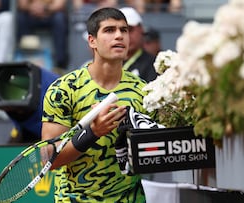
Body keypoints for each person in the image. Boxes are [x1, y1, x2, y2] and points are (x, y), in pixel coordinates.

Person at [42, 7, 148, 202]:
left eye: (123, 30)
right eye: (109, 30)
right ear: (92, 41)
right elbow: (50, 158)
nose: (119, 36)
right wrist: (93, 133)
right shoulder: (64, 89)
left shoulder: (144, 91)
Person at [16, 0, 69, 74]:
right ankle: (25, 61)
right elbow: (22, 4)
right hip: (31, 14)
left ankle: (60, 64)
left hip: (51, 14)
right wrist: (33, 8)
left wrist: (44, 8)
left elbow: (59, 5)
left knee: (59, 18)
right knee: (21, 18)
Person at [120, 6, 157, 82]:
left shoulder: (153, 64)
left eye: (130, 29)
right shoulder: (107, 63)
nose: (126, 36)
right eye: (122, 31)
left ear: (141, 29)